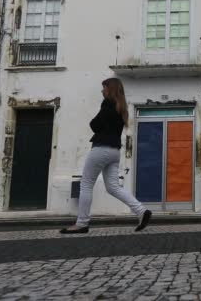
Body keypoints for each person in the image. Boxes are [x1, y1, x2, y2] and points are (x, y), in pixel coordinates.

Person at [60, 78, 152, 234]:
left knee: (86, 184)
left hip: (101, 149)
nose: (102, 91)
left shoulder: (108, 104)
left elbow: (94, 125)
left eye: (104, 88)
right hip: (114, 152)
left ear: (110, 89)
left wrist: (97, 121)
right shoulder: (121, 107)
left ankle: (81, 223)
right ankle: (141, 210)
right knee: (113, 187)